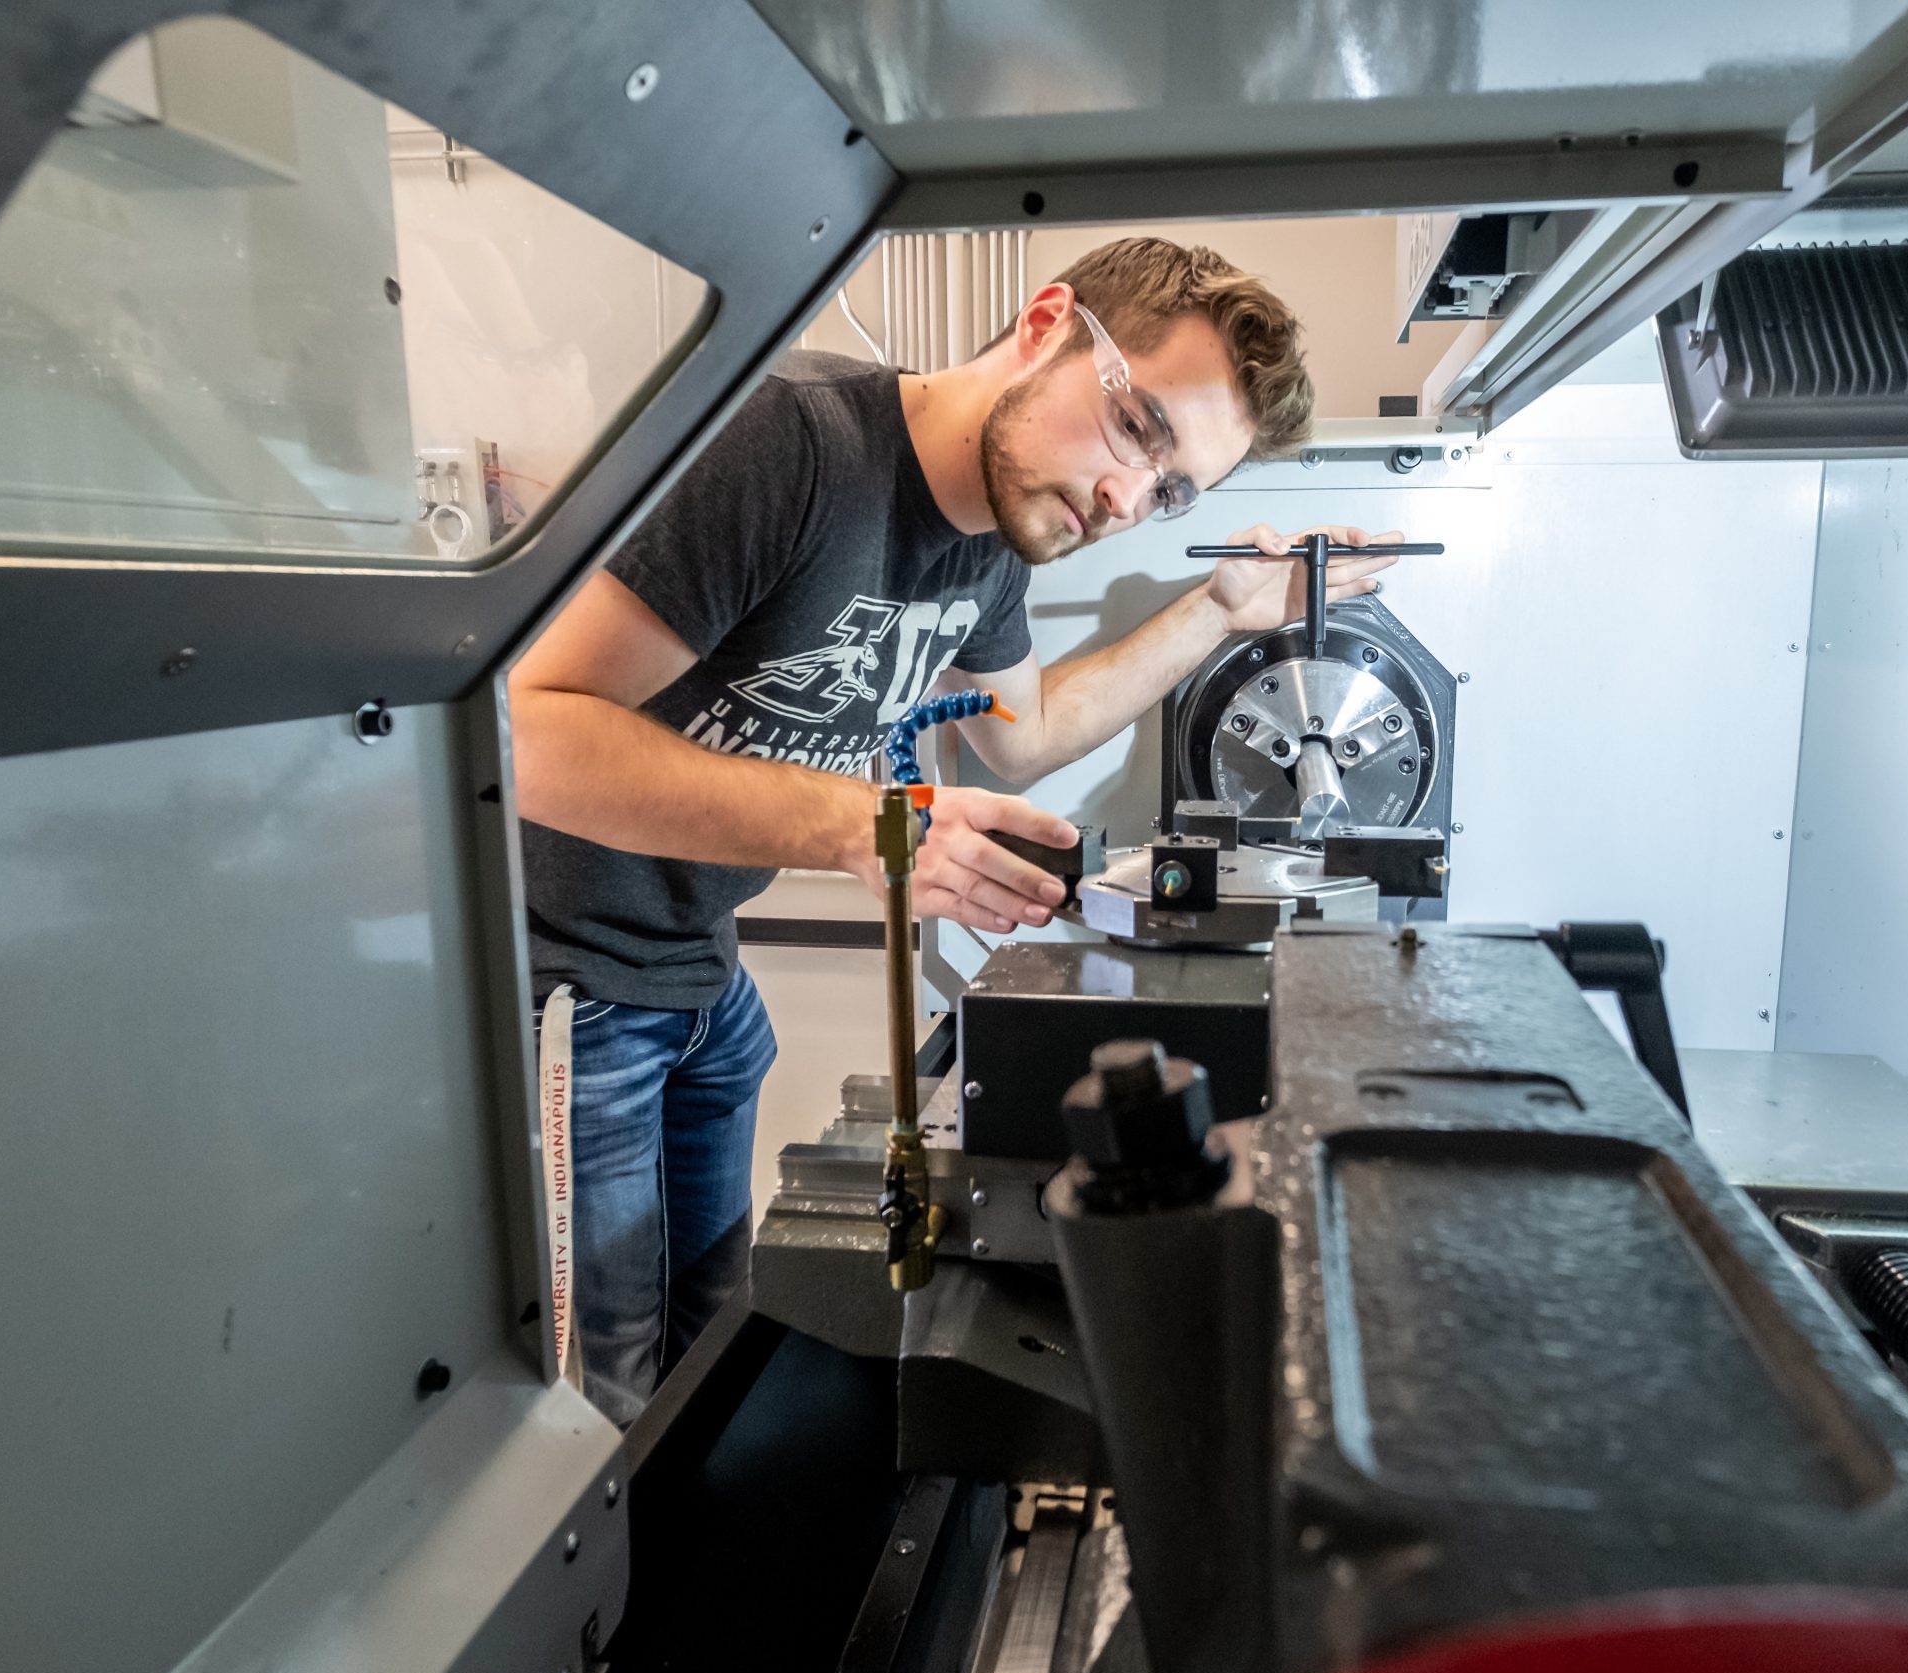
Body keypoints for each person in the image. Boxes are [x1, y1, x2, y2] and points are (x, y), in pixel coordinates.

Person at [510, 236, 1402, 1423]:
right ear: (1044, 325)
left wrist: (1222, 610)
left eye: (1174, 490)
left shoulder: (990, 544)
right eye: (1138, 430)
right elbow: (528, 730)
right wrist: (866, 828)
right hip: (566, 979)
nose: (1127, 502)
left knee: (702, 1366)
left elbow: (1023, 734)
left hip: (694, 977)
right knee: (596, 1401)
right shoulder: (786, 441)